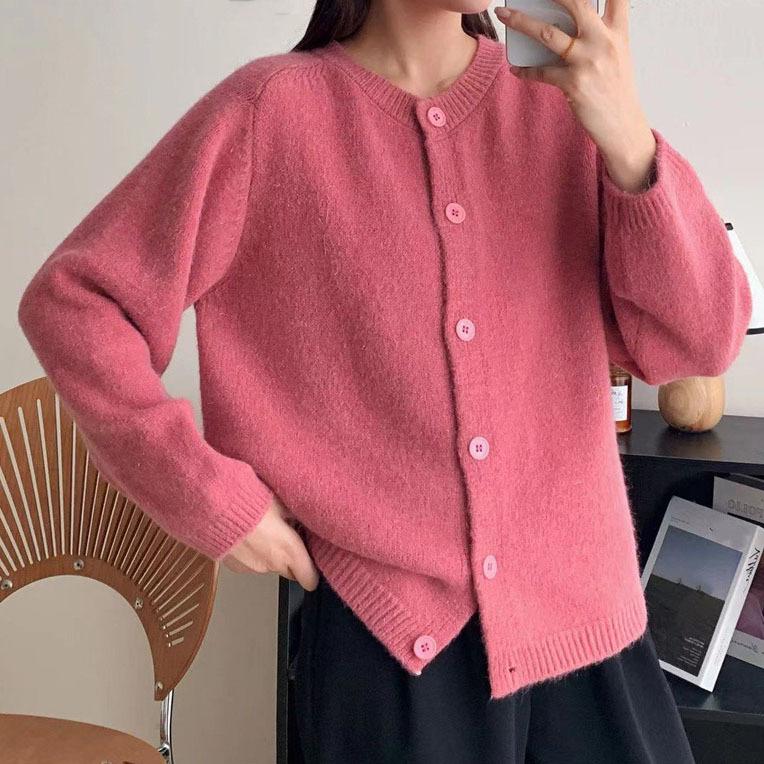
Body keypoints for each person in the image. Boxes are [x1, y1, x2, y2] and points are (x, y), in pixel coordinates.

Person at [17, 1, 751, 762]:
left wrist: (627, 135)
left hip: (590, 622)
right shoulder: (269, 115)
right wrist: (211, 499)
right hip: (392, 649)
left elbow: (699, 341)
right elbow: (75, 304)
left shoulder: (563, 105)